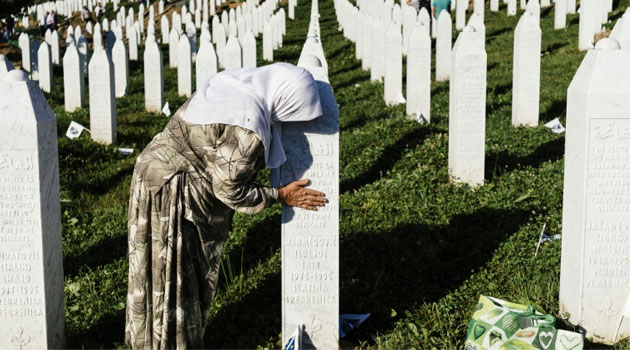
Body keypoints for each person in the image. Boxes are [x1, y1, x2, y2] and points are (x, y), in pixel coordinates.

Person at [125, 63, 328, 349]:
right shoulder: (248, 128)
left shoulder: (239, 85)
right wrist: (279, 195)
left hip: (152, 174)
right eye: (292, 113)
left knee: (158, 270)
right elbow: (229, 189)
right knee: (177, 279)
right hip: (174, 194)